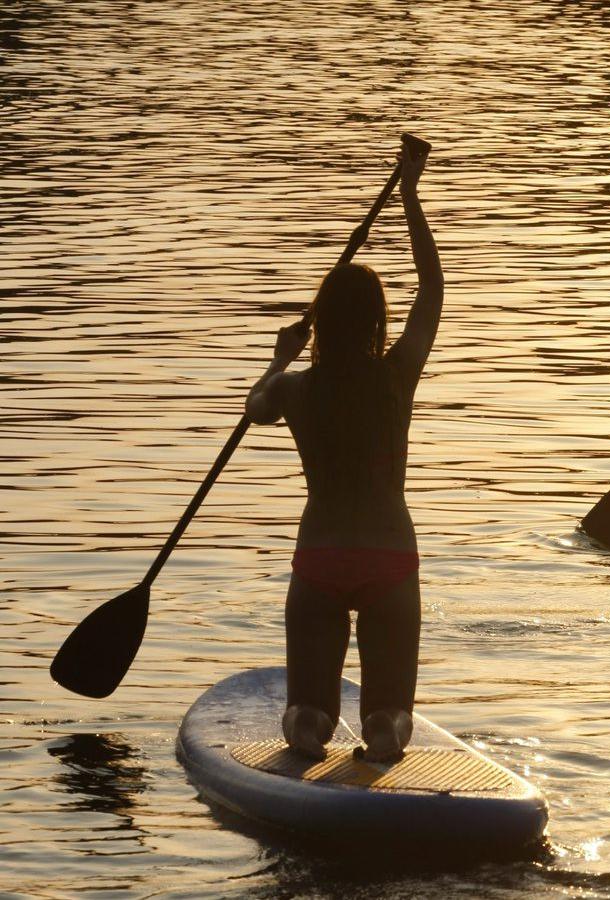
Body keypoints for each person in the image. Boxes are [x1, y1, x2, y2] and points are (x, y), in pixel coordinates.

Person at [245, 143, 442, 761]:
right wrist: (410, 197)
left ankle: (308, 728)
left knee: (307, 710)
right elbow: (433, 288)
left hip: (320, 557)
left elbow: (254, 410)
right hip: (390, 555)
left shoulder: (295, 388)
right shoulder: (397, 377)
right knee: (389, 710)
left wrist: (280, 357)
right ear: (376, 322)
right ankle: (384, 732)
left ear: (320, 324)